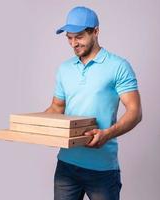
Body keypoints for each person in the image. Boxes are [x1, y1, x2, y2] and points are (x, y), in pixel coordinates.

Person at [45, 6, 142, 200]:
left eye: (79, 36)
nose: (73, 43)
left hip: (102, 169)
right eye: (69, 38)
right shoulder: (64, 69)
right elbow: (57, 108)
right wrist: (34, 127)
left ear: (96, 31)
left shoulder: (118, 66)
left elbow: (135, 111)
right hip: (66, 166)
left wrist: (107, 134)